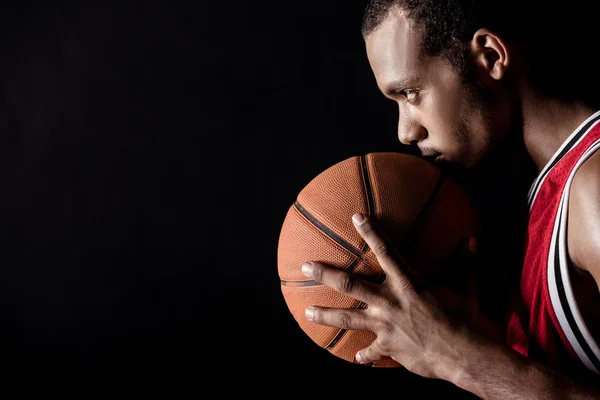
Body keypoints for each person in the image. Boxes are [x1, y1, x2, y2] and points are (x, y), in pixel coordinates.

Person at [299, 1, 600, 398]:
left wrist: (455, 356)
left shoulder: (593, 188)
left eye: (410, 93)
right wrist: (482, 343)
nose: (405, 131)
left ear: (489, 56)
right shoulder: (554, 183)